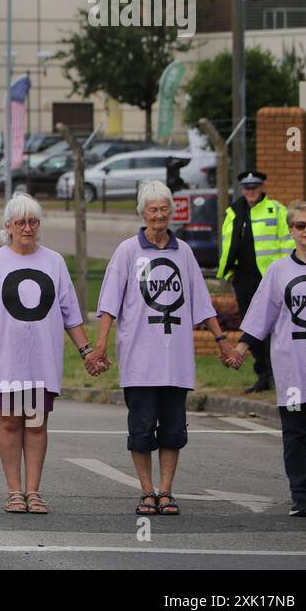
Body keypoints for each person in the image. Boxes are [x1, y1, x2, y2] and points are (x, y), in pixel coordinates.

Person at [89, 180, 230, 517]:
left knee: (172, 431)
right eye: (152, 210)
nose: (158, 216)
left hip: (176, 362)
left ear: (171, 213)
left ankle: (166, 491)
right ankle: (146, 490)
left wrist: (223, 342)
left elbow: (202, 302)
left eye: (164, 210)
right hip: (139, 361)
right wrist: (100, 347)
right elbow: (109, 304)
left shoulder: (184, 253)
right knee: (140, 431)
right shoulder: (127, 252)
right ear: (142, 212)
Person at [0, 193, 92, 515]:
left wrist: (88, 351)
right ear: (8, 226)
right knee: (11, 421)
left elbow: (70, 315)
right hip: (7, 359)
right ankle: (14, 490)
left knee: (37, 423)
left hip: (43, 360)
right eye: (21, 222)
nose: (27, 228)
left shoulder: (54, 262)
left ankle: (34, 491)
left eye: (33, 222)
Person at [234, 200, 306, 517]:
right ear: (291, 230)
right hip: (292, 368)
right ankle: (300, 496)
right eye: (301, 226)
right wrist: (240, 350)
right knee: (296, 435)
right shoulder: (278, 271)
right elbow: (260, 316)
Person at [218, 170, 292, 393]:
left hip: (270, 278)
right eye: (247, 188)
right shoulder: (233, 212)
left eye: (254, 187)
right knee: (252, 326)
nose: (250, 191)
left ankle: (275, 373)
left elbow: (287, 241)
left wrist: (281, 272)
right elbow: (227, 243)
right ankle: (263, 374)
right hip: (244, 278)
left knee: (271, 327)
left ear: (261, 188)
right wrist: (229, 274)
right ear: (242, 189)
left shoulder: (277, 209)